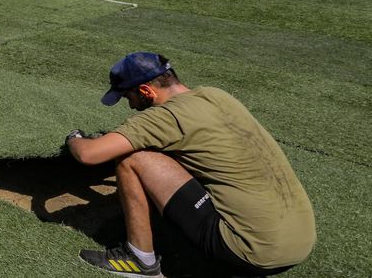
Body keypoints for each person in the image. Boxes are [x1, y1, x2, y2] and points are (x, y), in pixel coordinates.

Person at [66, 52, 314, 277]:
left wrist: (74, 138)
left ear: (145, 91)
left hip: (252, 250)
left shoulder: (165, 117)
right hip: (301, 240)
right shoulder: (215, 95)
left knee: (132, 158)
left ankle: (139, 259)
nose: (130, 106)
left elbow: (89, 154)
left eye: (127, 97)